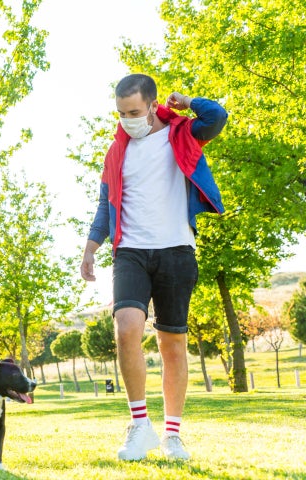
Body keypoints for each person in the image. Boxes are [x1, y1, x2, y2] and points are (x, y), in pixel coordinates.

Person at [80, 74, 228, 461]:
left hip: (176, 249)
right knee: (127, 328)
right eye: (120, 113)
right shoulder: (117, 152)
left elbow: (218, 116)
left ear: (151, 104)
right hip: (130, 250)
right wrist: (90, 248)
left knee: (172, 344)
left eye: (133, 111)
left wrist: (189, 100)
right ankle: (140, 426)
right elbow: (104, 206)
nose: (127, 119)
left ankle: (173, 434)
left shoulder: (182, 133)